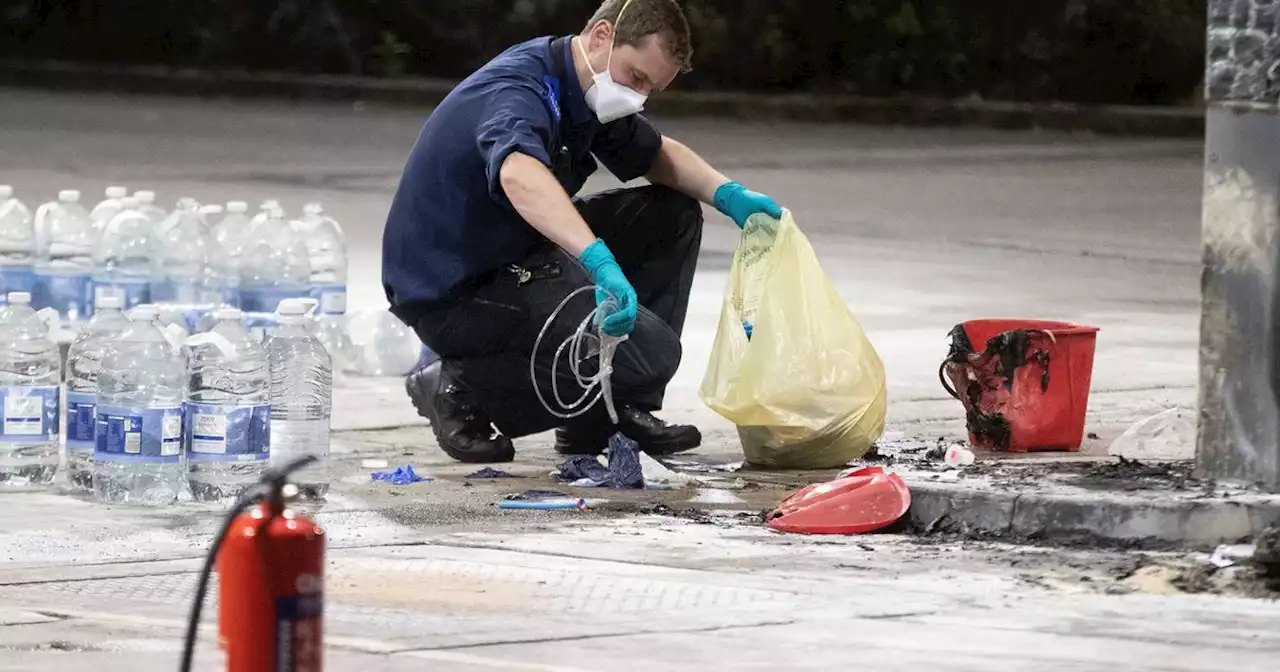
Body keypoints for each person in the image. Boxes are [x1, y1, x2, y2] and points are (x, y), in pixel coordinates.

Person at [383, 0, 783, 463]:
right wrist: (598, 260)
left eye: (651, 88)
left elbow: (654, 154)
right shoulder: (519, 89)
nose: (639, 96)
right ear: (601, 36)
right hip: (455, 287)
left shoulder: (588, 90)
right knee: (651, 358)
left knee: (671, 214)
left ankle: (608, 416)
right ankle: (457, 385)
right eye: (636, 77)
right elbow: (517, 173)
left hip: (518, 249)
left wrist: (730, 195)